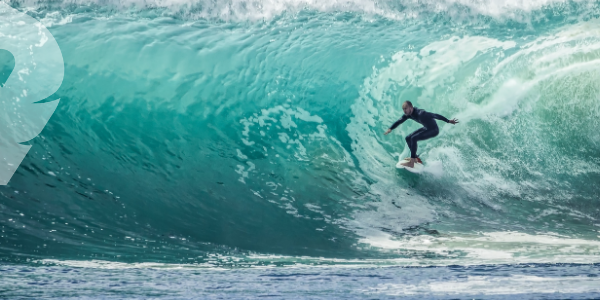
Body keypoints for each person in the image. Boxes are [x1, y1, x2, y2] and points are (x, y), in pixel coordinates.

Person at [384, 101, 458, 168]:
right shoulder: (408, 114)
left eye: (405, 109)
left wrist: (448, 121)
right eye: (403, 109)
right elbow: (400, 121)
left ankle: (412, 162)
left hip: (434, 130)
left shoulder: (421, 113)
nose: (404, 111)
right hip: (426, 128)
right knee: (408, 138)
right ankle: (415, 158)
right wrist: (390, 128)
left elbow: (435, 115)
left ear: (411, 107)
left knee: (413, 138)